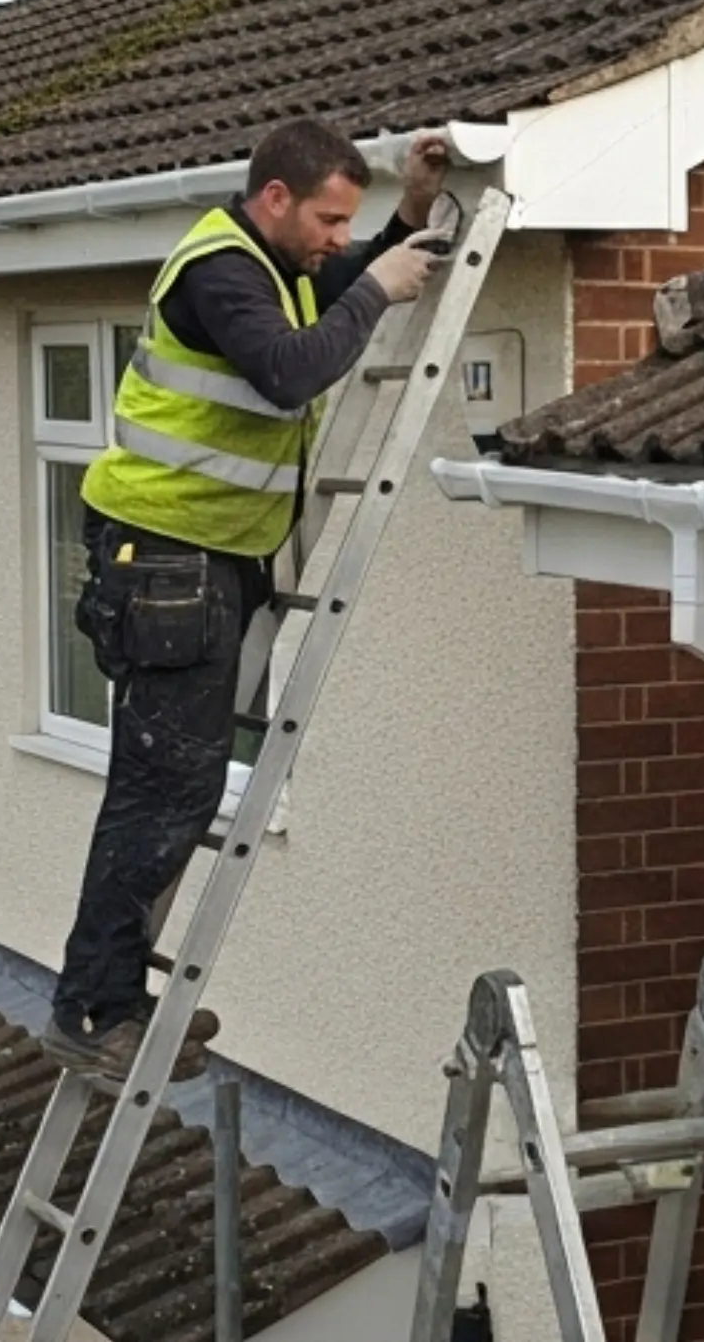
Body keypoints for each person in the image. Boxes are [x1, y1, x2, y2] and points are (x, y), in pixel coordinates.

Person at [42, 118, 452, 1079]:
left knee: (171, 786)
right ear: (275, 198)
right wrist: (381, 289)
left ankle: (111, 999)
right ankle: (93, 1011)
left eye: (348, 223)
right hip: (166, 555)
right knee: (165, 789)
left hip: (202, 555)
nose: (338, 241)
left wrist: (409, 218)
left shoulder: (274, 263)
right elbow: (289, 372)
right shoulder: (222, 272)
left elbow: (336, 289)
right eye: (328, 221)